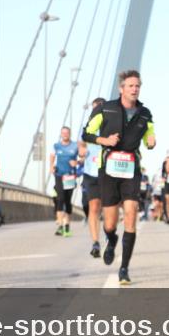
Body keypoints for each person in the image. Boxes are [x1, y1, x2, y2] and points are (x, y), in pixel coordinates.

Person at [82, 71, 156, 285]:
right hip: (108, 170)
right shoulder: (105, 109)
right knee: (110, 222)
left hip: (131, 169)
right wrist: (104, 140)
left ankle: (124, 268)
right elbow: (86, 133)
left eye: (137, 86)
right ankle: (111, 239)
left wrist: (151, 141)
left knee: (131, 213)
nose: (135, 89)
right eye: (131, 85)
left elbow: (150, 134)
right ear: (121, 88)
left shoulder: (145, 113)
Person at [78, 97, 105, 257]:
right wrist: (82, 150)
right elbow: (81, 144)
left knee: (109, 209)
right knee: (94, 207)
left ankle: (110, 234)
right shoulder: (87, 128)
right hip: (90, 173)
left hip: (108, 173)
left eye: (99, 108)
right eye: (94, 108)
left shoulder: (112, 126)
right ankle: (95, 242)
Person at [49, 126, 79, 237]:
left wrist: (77, 162)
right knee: (60, 198)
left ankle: (67, 226)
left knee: (67, 200)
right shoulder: (56, 146)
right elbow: (52, 156)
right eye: (63, 133)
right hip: (59, 175)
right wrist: (51, 166)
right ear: (61, 134)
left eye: (67, 133)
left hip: (70, 176)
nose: (65, 134)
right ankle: (60, 225)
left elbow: (83, 156)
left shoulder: (75, 145)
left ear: (69, 134)